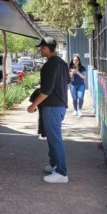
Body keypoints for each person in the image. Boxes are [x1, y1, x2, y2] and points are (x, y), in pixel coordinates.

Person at [27, 37, 70, 184]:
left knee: (55, 139)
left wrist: (33, 105)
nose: (40, 50)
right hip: (60, 105)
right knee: (53, 139)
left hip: (52, 107)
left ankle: (61, 173)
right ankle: (54, 165)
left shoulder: (50, 65)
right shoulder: (63, 63)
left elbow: (47, 89)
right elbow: (65, 82)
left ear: (46, 47)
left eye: (41, 47)